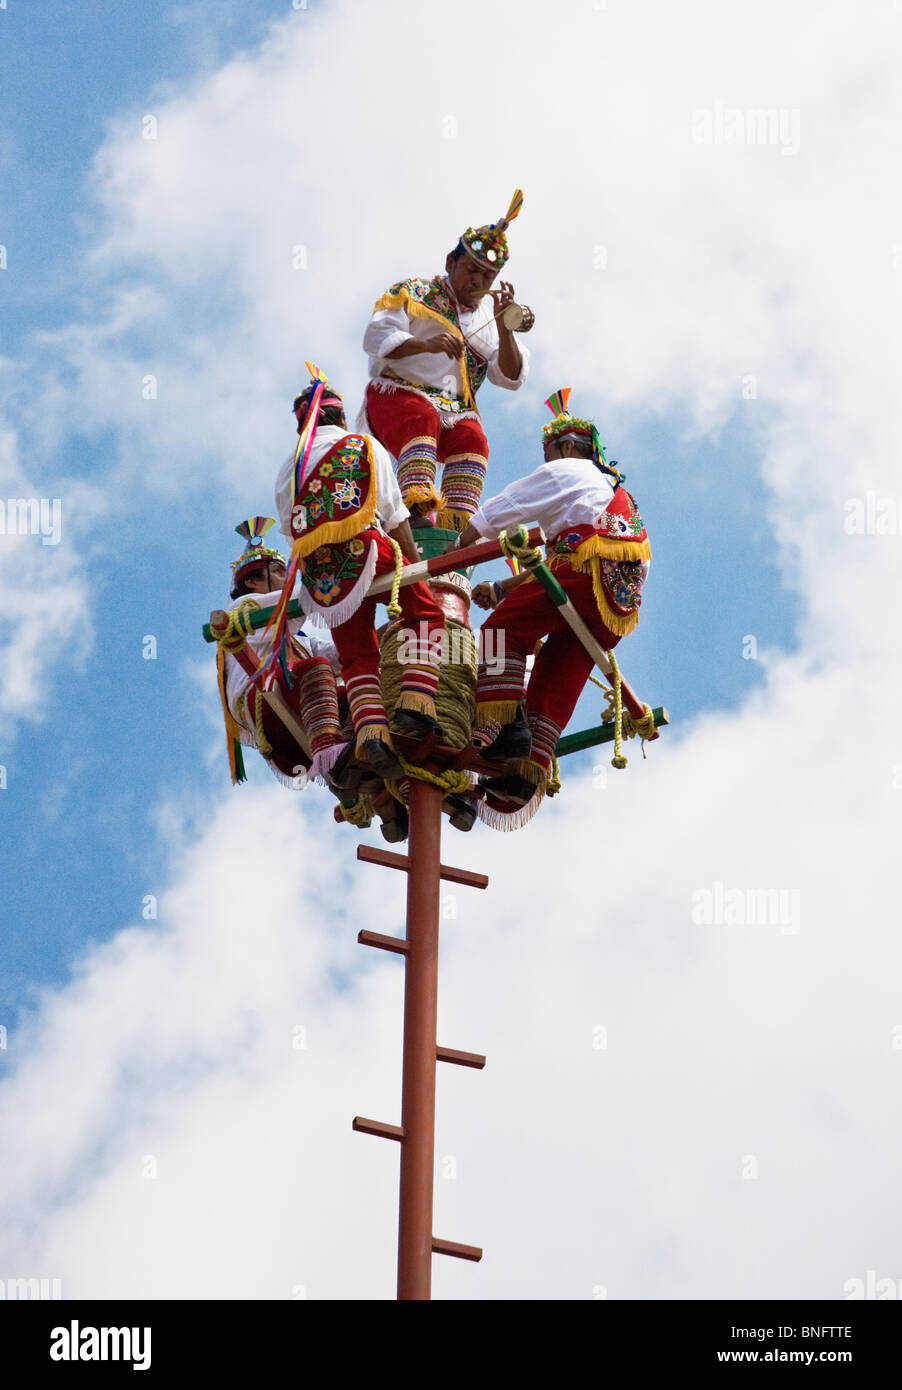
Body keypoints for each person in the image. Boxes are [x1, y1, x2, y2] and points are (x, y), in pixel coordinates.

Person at [456, 391, 651, 811]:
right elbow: (563, 551)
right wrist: (504, 589)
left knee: (499, 635)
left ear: (566, 447)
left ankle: (504, 731)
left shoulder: (567, 470)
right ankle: (528, 770)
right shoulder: (613, 492)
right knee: (555, 677)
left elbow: (509, 506)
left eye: (549, 452)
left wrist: (459, 548)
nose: (547, 461)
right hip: (616, 606)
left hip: (582, 574)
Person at [273, 370, 449, 781]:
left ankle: (372, 731)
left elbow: (291, 528)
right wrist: (414, 568)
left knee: (356, 654)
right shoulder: (362, 445)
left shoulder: (289, 469)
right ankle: (416, 701)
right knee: (427, 615)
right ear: (339, 417)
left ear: (303, 423)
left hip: (321, 579)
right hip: (371, 551)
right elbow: (394, 514)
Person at [358, 190, 531, 531]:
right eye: (471, 269)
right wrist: (425, 344)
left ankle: (454, 528)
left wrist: (506, 328)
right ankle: (417, 512)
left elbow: (510, 377)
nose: (478, 281)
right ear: (450, 262)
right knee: (422, 415)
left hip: (451, 413)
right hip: (396, 396)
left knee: (473, 438)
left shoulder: (489, 323)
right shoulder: (413, 292)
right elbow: (376, 338)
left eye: (487, 276)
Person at [215, 518, 349, 788]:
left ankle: (367, 777)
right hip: (267, 706)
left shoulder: (300, 640)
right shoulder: (246, 607)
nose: (287, 577)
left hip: (298, 713)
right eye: (277, 571)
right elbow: (304, 597)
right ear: (252, 581)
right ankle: (330, 752)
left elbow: (344, 656)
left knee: (362, 694)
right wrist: (353, 573)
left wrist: (390, 632)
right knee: (316, 668)